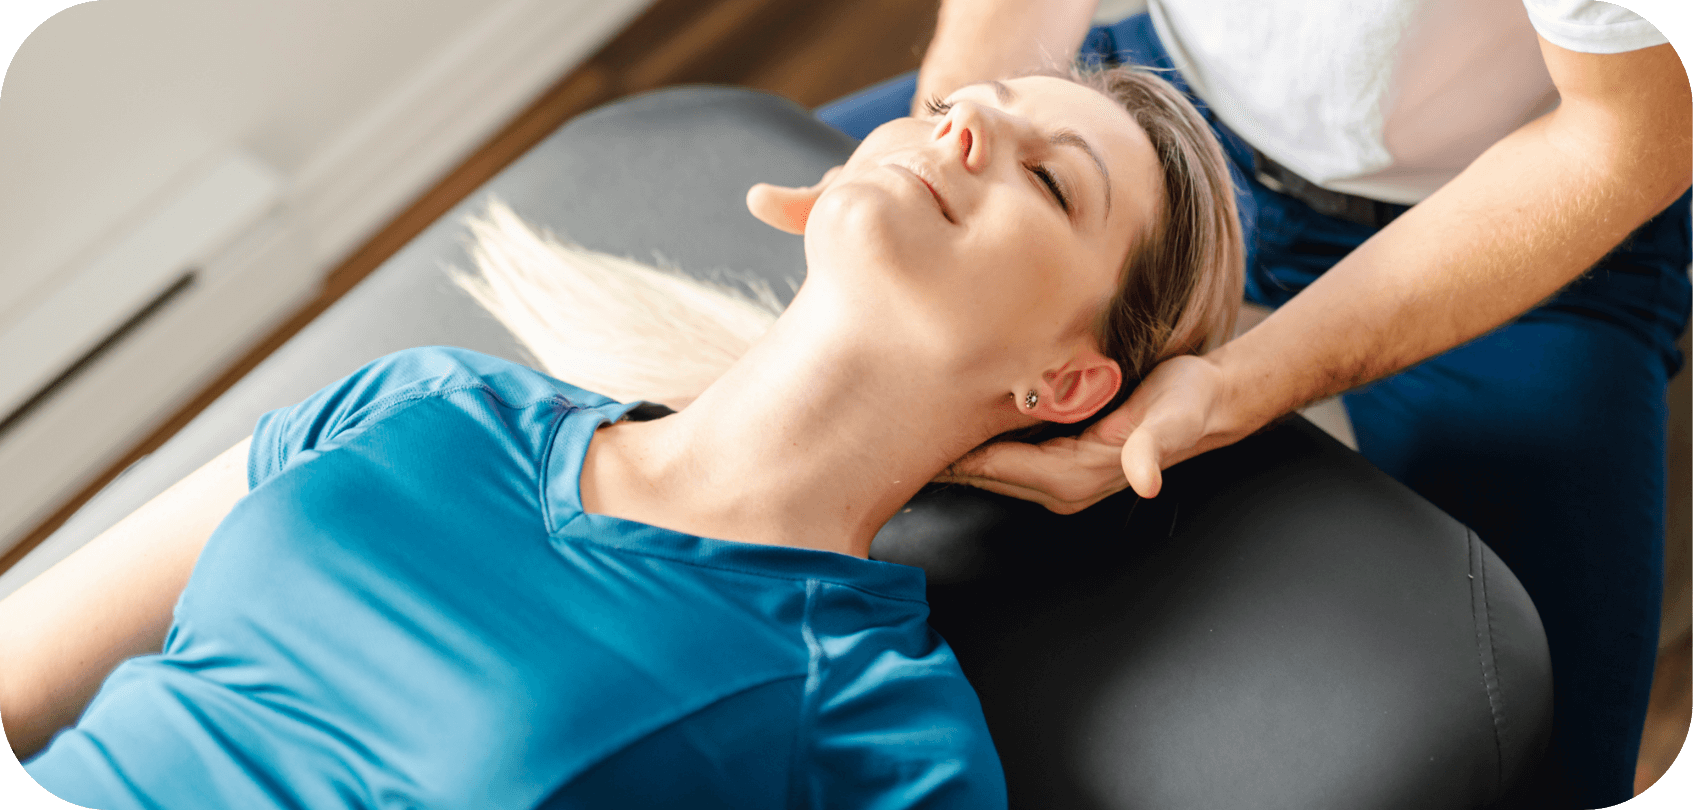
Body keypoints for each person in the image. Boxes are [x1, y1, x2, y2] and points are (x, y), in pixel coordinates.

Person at [1, 66, 1243, 808]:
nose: (965, 130)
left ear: (1065, 384)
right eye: (963, 107)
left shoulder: (872, 729)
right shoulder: (424, 401)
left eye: (1048, 179)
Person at [818, 1, 1685, 806]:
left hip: (1519, 183)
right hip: (1167, 98)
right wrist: (918, 164)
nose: (958, 126)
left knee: (1558, 771)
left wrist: (1239, 386)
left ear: (1074, 384)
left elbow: (1621, 134)